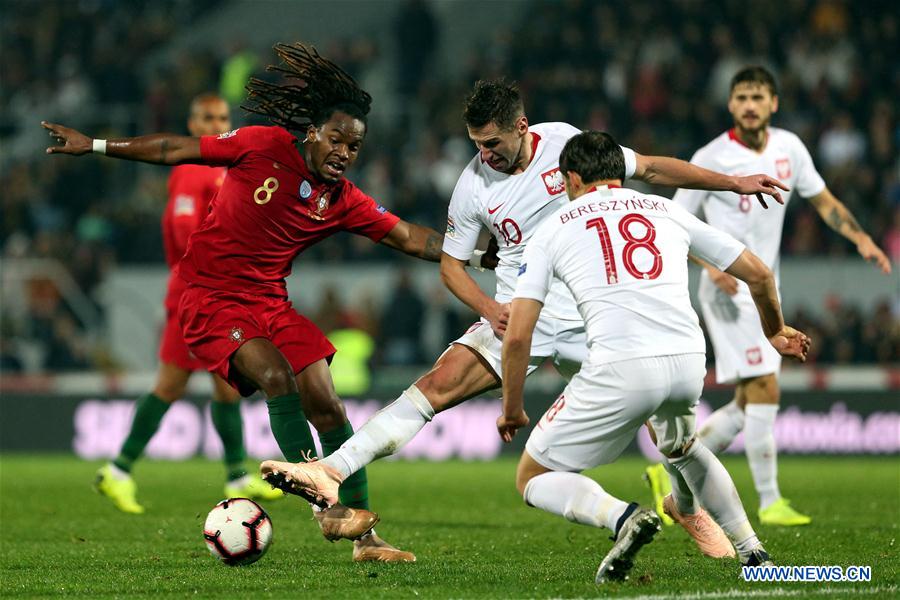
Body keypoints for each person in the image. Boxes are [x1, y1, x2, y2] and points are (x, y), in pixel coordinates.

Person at [257, 79, 788, 555]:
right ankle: (332, 470)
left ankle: (687, 507)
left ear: (522, 127)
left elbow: (649, 166)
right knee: (436, 387)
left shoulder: (566, 144)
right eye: (475, 145)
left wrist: (732, 183)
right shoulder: (472, 186)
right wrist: (489, 308)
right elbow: (452, 267)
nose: (484, 155)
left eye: (492, 143)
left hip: (593, 308)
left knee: (671, 433)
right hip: (521, 311)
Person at [43, 42, 494, 562]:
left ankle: (366, 541)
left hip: (269, 303)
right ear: (312, 133)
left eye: (355, 147)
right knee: (276, 377)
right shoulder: (261, 146)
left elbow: (412, 238)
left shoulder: (340, 199)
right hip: (210, 298)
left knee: (327, 402)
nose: (345, 153)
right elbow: (174, 150)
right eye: (337, 140)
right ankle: (322, 505)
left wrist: (485, 257)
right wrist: (96, 145)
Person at [497, 131, 810, 582]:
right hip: (687, 360)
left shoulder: (552, 229)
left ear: (571, 177)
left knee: (531, 476)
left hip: (619, 364)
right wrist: (775, 331)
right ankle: (754, 553)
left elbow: (518, 335)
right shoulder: (666, 209)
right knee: (682, 447)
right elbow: (759, 274)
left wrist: (512, 408)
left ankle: (622, 517)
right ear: (620, 171)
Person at [645, 66, 892, 527]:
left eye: (758, 96)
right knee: (765, 388)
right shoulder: (711, 155)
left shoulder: (790, 148)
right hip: (726, 289)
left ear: (774, 103)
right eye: (741, 97)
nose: (750, 104)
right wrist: (708, 265)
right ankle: (770, 500)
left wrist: (861, 239)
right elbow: (671, 223)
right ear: (730, 105)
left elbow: (824, 202)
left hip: (764, 290)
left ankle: (670, 473)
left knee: (745, 407)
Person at [94, 93, 281, 514]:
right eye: (206, 118)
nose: (215, 124)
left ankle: (236, 474)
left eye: (221, 117)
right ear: (192, 123)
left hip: (216, 295)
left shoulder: (223, 166)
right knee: (171, 385)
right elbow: (181, 232)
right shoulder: (192, 168)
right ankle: (118, 470)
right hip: (194, 296)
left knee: (226, 385)